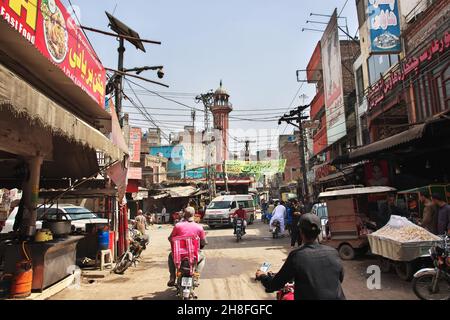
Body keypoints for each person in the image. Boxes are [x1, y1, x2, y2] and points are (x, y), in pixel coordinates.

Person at [256, 214, 345, 300]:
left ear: (301, 232)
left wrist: (262, 276)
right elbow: (340, 278)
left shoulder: (297, 256)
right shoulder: (333, 252)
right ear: (319, 231)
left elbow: (275, 284)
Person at [167, 207, 207, 287]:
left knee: (170, 256)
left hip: (179, 256)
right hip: (193, 256)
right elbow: (203, 242)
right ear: (194, 215)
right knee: (203, 257)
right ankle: (195, 277)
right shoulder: (199, 227)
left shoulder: (177, 226)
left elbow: (170, 238)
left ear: (184, 215)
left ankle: (172, 277)